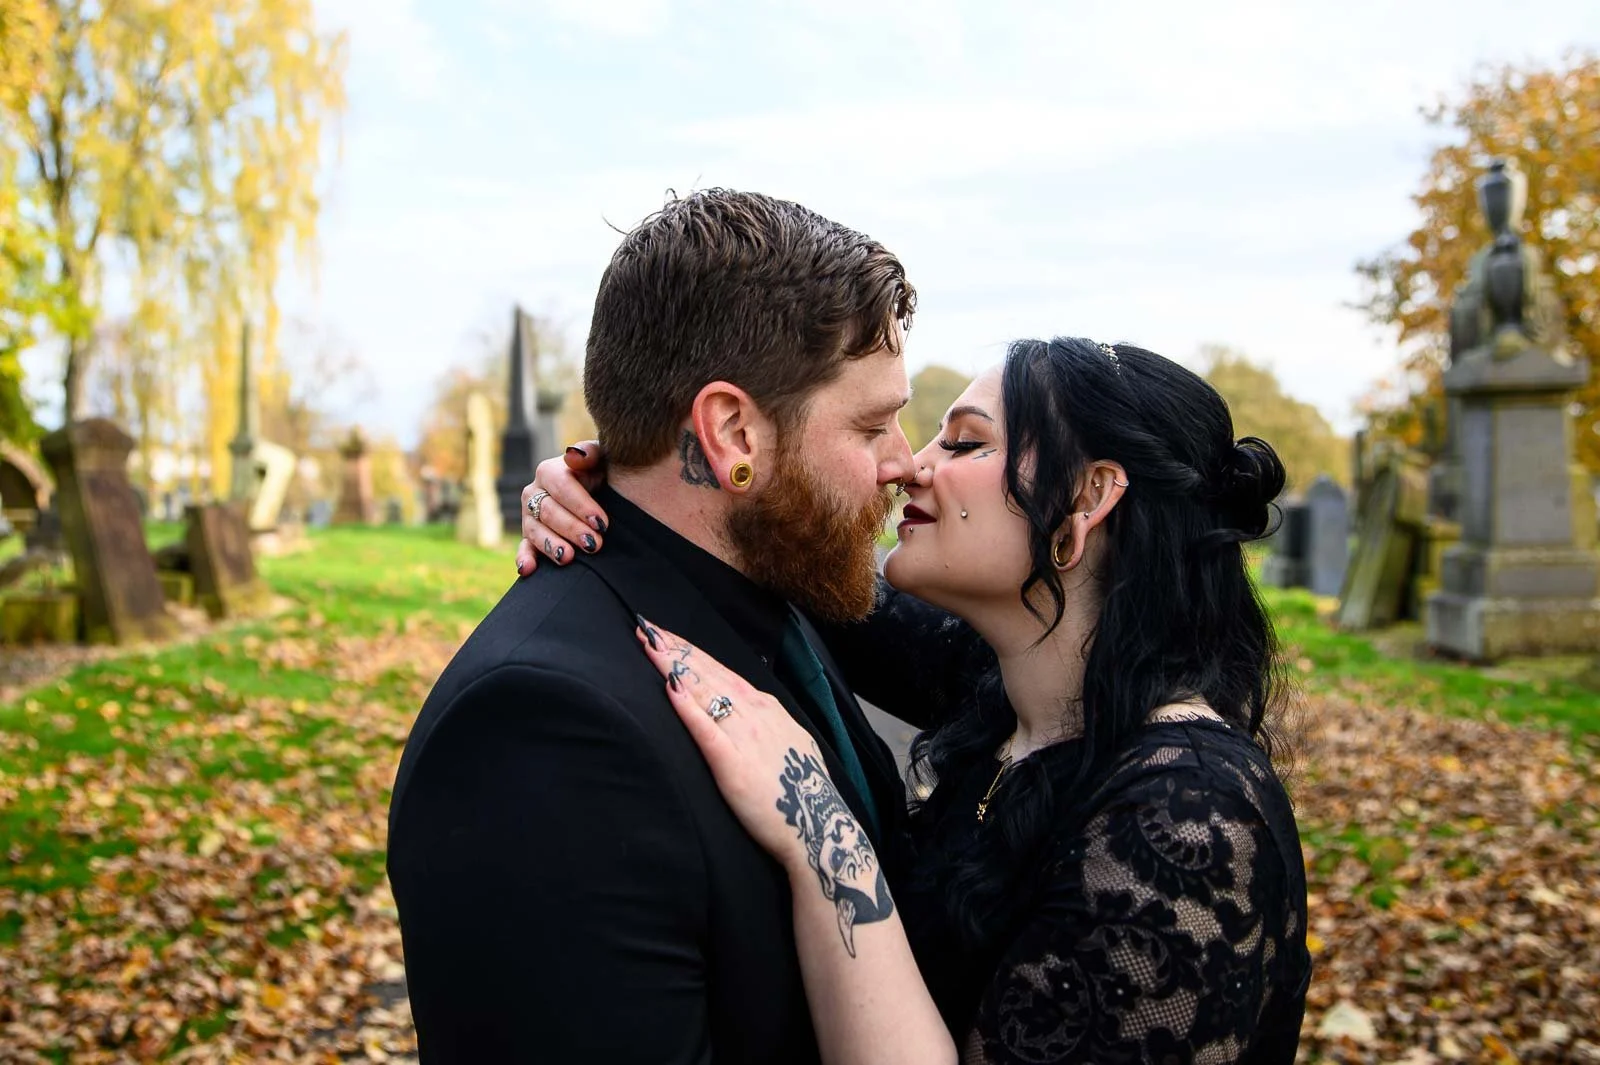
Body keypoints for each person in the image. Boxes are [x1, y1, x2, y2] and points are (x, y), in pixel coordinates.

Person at [517, 337, 1312, 1063]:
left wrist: (822, 838)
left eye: (964, 442)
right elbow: (771, 550)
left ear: (1086, 498)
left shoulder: (1188, 818)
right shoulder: (1003, 686)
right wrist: (619, 487)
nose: (909, 465)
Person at [387, 188, 923, 1063]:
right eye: (871, 424)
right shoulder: (544, 737)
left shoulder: (775, 588)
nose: (905, 460)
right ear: (731, 430)